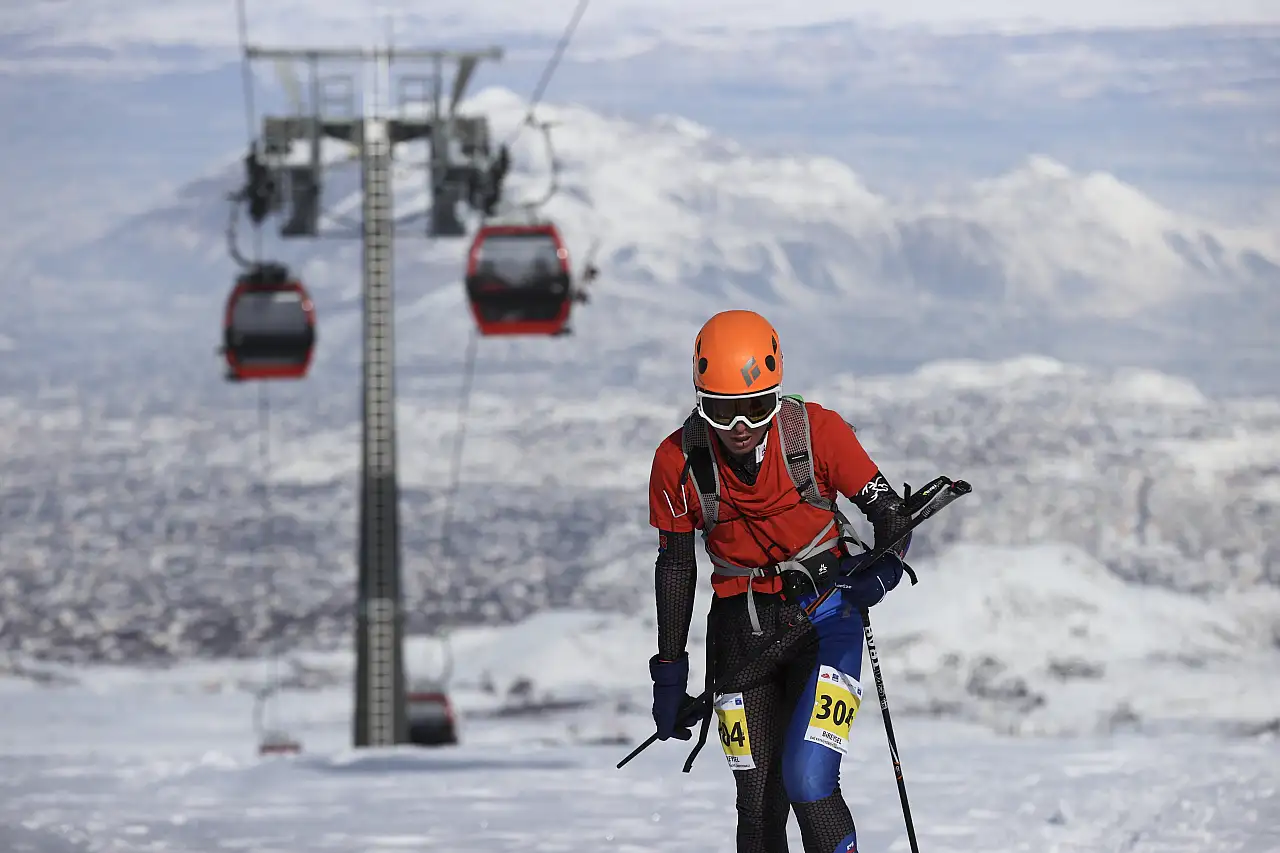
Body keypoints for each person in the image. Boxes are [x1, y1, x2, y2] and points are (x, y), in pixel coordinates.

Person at [647, 309, 914, 853]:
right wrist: (670, 672)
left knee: (809, 780)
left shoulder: (818, 435)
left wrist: (882, 572)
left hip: (825, 620)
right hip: (741, 637)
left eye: (755, 407)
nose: (740, 427)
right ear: (700, 400)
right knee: (758, 803)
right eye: (721, 412)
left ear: (777, 393)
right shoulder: (677, 462)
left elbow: (890, 514)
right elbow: (676, 567)